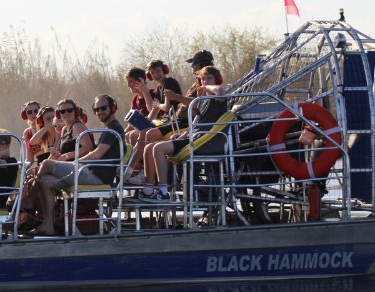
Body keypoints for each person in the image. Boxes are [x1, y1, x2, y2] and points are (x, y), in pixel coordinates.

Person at [25, 95, 125, 235]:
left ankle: (29, 200)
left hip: (96, 176)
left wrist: (71, 161)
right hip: (87, 172)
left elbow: (95, 153)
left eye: (103, 108)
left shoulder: (113, 129)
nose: (99, 111)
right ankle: (48, 225)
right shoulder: (106, 129)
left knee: (47, 164)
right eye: (96, 109)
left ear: (113, 108)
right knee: (46, 181)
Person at [139, 66, 228, 202]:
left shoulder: (218, 100)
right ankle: (148, 189)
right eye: (202, 79)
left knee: (158, 148)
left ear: (217, 79)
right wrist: (181, 136)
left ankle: (163, 191)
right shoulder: (201, 101)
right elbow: (194, 124)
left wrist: (206, 88)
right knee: (148, 147)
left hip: (205, 141)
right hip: (194, 138)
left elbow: (221, 91)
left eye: (209, 78)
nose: (205, 82)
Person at [124, 60, 184, 184]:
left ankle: (133, 171)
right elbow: (154, 108)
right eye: (152, 73)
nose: (156, 74)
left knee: (146, 134)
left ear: (164, 70)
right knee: (133, 134)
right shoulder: (160, 88)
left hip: (175, 122)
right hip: (166, 121)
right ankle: (136, 171)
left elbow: (165, 108)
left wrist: (154, 100)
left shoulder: (168, 82)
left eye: (158, 71)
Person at [19, 101, 45, 165]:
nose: (33, 113)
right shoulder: (27, 133)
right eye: (29, 112)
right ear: (25, 115)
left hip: (52, 161)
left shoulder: (48, 127)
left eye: (36, 111)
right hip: (40, 164)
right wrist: (22, 171)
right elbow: (29, 159)